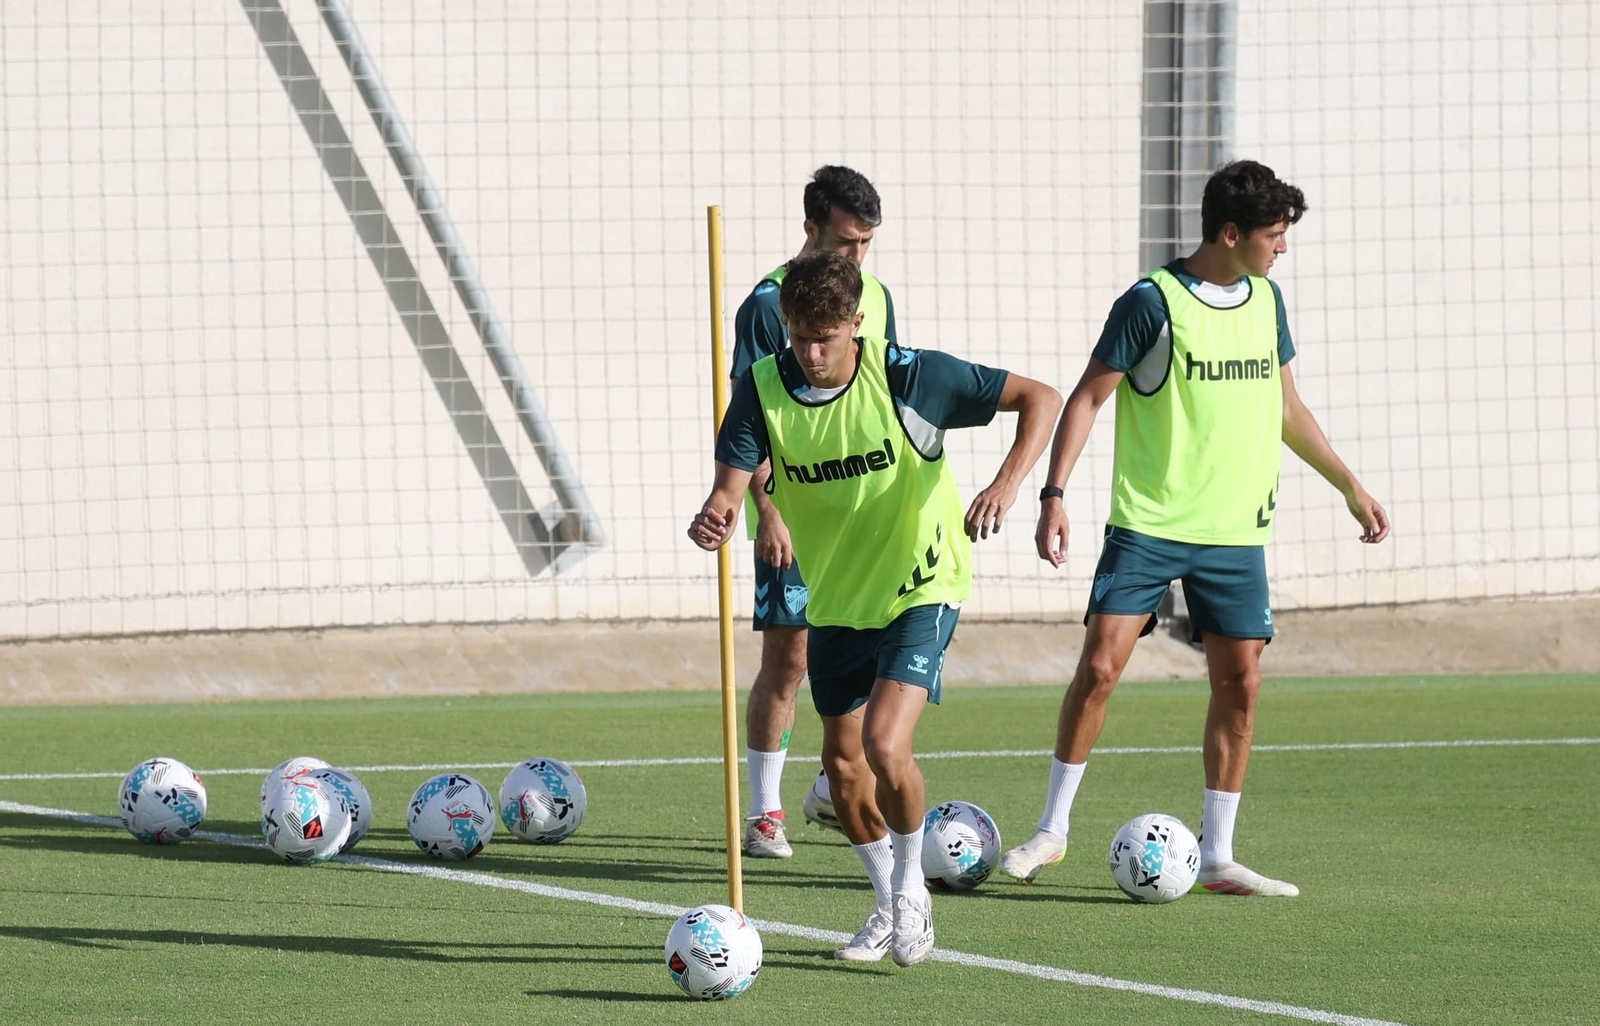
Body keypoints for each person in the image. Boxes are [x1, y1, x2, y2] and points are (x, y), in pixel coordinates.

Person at [1001, 160, 1390, 897]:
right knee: (1101, 667)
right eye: (1274, 235)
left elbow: (1287, 408)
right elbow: (1086, 399)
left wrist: (1349, 485)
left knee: (1240, 683)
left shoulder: (1268, 300)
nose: (1283, 248)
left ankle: (1218, 856)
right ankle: (1052, 830)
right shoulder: (1152, 302)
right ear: (1231, 232)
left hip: (1235, 532)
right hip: (1148, 522)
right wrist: (1054, 493)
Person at [689, 251, 1060, 965]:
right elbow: (730, 482)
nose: (812, 352)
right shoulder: (765, 389)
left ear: (857, 323)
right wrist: (718, 512)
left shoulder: (911, 376)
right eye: (800, 336)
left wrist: (1009, 486)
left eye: (826, 336)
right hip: (836, 599)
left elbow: (1040, 398)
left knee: (885, 744)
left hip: (924, 583)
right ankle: (889, 900)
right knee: (842, 765)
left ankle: (913, 891)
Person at [728, 166, 900, 859]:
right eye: (845, 241)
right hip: (794, 514)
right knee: (791, 655)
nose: (857, 256)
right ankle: (765, 811)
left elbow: (882, 394)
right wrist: (767, 510)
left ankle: (832, 787)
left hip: (864, 518)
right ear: (810, 230)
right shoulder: (767, 306)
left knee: (875, 654)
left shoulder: (876, 298)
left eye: (866, 244)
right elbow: (751, 418)